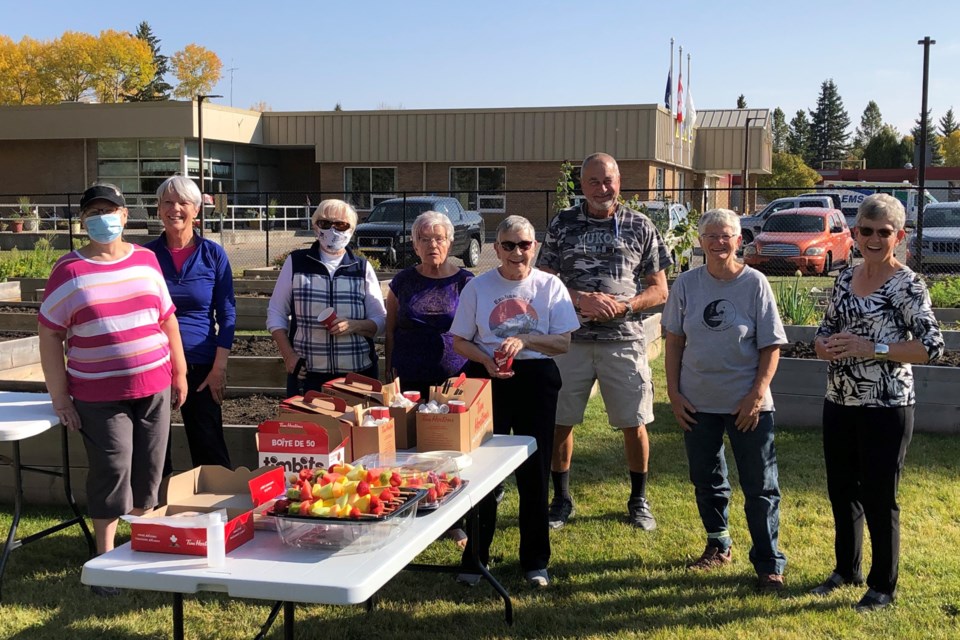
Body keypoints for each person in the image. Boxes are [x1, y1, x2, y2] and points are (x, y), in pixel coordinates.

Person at [38, 183, 188, 593]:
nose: (101, 218)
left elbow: (167, 318)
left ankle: (141, 551)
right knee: (112, 469)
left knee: (150, 471)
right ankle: (104, 564)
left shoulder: (146, 259)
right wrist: (60, 397)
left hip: (154, 385)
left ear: (124, 216)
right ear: (84, 221)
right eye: (93, 212)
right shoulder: (68, 271)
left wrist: (180, 372)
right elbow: (50, 334)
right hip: (97, 395)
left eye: (109, 210)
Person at [812, 193, 943, 612]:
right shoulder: (844, 278)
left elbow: (932, 346)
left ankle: (882, 586)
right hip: (840, 400)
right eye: (865, 230)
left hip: (887, 406)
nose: (873, 238)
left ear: (898, 235)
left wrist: (873, 347)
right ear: (854, 233)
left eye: (883, 232)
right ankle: (845, 569)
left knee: (879, 496)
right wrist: (823, 346)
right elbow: (824, 330)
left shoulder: (907, 285)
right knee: (841, 490)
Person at [536, 152, 671, 531]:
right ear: (582, 185)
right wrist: (581, 299)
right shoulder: (562, 224)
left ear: (620, 182)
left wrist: (626, 306)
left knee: (635, 422)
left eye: (608, 180)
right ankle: (561, 499)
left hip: (624, 341)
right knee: (561, 422)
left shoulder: (640, 225)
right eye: (593, 181)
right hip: (570, 342)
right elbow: (542, 282)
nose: (602, 188)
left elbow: (659, 289)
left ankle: (638, 500)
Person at [662, 208, 788, 591]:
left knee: (760, 485)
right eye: (712, 235)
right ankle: (719, 544)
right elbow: (674, 341)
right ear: (700, 242)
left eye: (727, 235)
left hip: (747, 405)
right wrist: (673, 393)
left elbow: (771, 346)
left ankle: (769, 563)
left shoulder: (755, 284)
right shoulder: (686, 284)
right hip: (697, 403)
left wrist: (756, 395)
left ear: (740, 240)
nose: (719, 242)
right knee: (707, 479)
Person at [450, 215, 579, 588]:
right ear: (496, 249)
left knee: (535, 473)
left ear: (534, 246)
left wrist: (525, 341)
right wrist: (486, 359)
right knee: (482, 470)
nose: (517, 252)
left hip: (536, 380)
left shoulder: (550, 286)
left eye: (524, 245)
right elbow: (460, 340)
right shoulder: (478, 287)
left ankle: (536, 561)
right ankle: (475, 557)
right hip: (488, 380)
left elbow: (563, 342)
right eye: (508, 245)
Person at [146, 175, 236, 471]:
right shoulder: (145, 257)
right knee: (155, 450)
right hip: (155, 366)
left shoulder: (213, 255)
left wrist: (218, 369)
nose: (175, 209)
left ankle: (217, 512)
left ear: (196, 210)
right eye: (168, 202)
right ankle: (156, 510)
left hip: (202, 367)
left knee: (210, 449)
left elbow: (227, 314)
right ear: (158, 209)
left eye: (183, 202)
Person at [267, 199, 386, 396]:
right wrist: (289, 356)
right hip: (308, 375)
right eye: (325, 224)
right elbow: (276, 313)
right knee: (310, 427)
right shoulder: (296, 263)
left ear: (352, 229)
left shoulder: (362, 268)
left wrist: (353, 325)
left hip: (356, 375)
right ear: (315, 227)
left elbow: (380, 322)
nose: (333, 230)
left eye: (341, 224)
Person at [385, 210, 474, 400]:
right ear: (415, 246)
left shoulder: (466, 282)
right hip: (408, 380)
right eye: (424, 239)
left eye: (439, 239)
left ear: (449, 244)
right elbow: (390, 331)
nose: (432, 245)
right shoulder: (402, 281)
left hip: (454, 380)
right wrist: (388, 373)